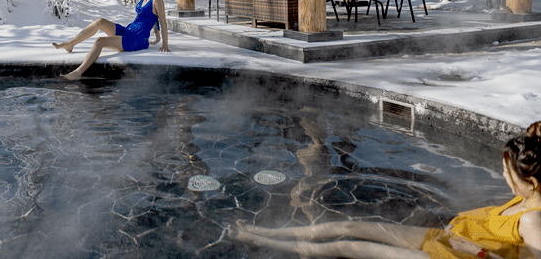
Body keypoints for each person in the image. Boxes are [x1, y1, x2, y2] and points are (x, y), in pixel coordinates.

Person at [228, 121, 541, 259]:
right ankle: (264, 230)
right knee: (349, 226)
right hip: (447, 239)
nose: (503, 174)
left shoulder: (533, 221)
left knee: (346, 247)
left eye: (507, 171)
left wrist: (480, 253)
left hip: (452, 257)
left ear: (532, 182)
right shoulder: (528, 196)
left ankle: (254, 238)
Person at [53, 0, 169, 80]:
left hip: (136, 39)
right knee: (100, 22)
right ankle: (70, 44)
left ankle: (78, 72)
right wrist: (157, 37)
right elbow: (152, 17)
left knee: (100, 41)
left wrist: (164, 44)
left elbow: (162, 21)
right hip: (128, 32)